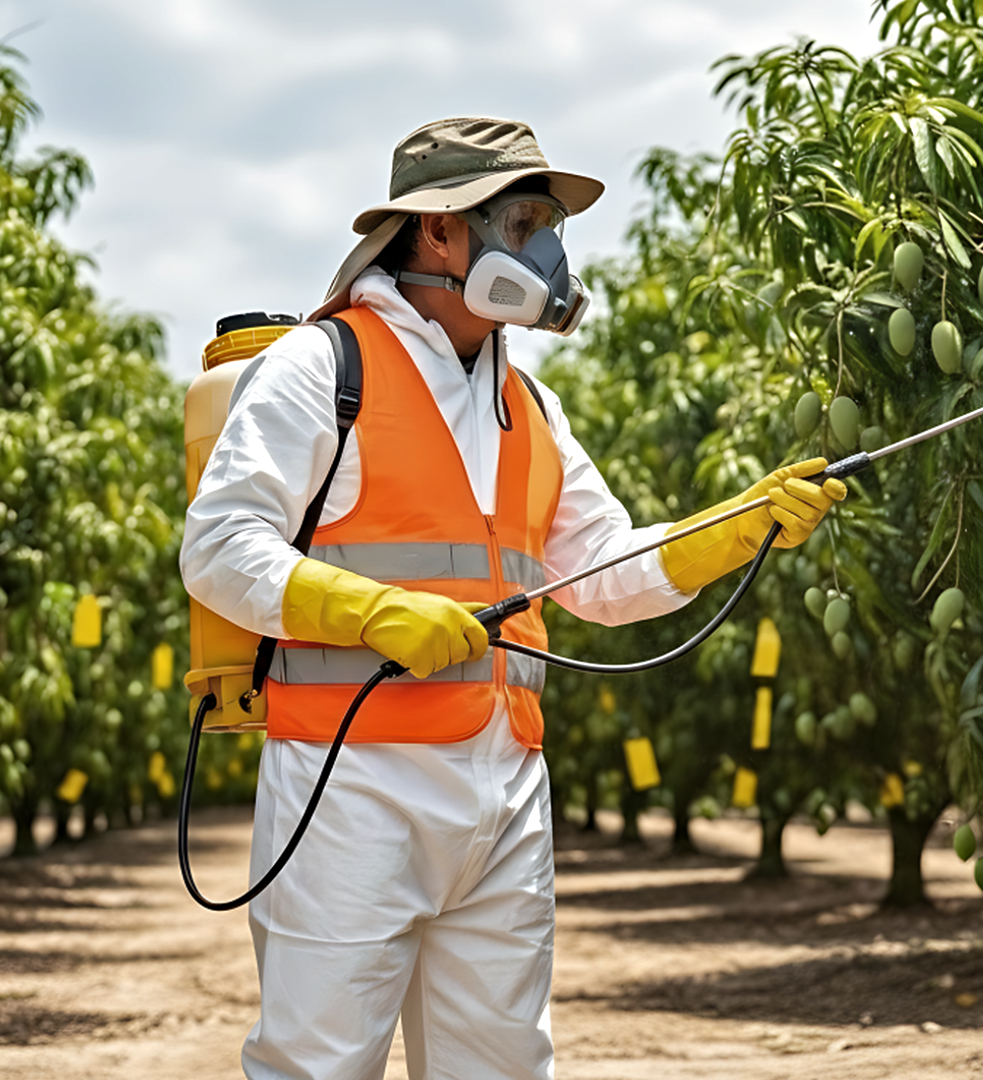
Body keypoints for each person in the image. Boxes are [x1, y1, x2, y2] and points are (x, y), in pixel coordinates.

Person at [180, 116, 847, 1080]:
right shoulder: (324, 368)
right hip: (352, 789)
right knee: (318, 1066)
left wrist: (734, 529)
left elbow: (602, 573)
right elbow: (219, 548)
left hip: (502, 792)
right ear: (439, 231)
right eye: (525, 219)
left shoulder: (529, 405)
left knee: (501, 1067)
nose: (548, 248)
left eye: (548, 224)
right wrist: (373, 612)